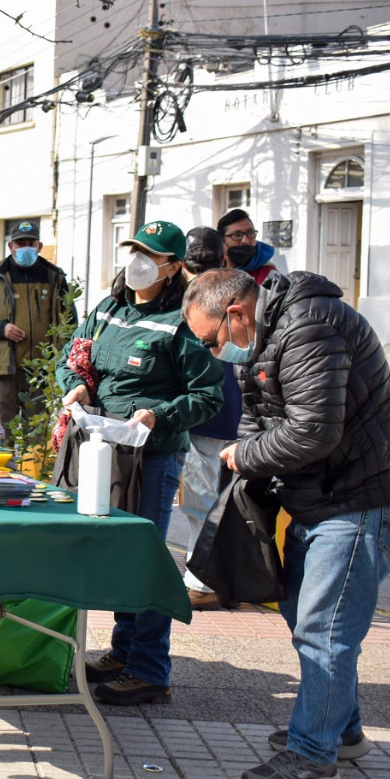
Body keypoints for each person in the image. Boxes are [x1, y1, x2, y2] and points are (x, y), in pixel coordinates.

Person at [183, 268, 390, 779]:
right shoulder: (266, 332)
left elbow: (312, 429)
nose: (214, 353)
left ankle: (313, 756)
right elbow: (255, 419)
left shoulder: (307, 325)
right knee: (306, 617)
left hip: (356, 501)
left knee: (324, 630)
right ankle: (340, 731)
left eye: (212, 340)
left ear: (236, 313)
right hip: (317, 499)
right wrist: (248, 458)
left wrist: (243, 457)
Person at [59, 220, 223, 706]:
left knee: (144, 557)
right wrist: (79, 383)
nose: (138, 261)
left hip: (151, 457)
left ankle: (150, 669)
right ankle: (123, 649)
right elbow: (74, 355)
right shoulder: (108, 309)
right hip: (102, 448)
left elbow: (208, 396)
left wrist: (161, 414)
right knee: (114, 554)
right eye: (134, 250)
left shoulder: (184, 320)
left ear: (173, 267)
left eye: (150, 254)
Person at [176, 227, 240, 611]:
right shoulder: (238, 294)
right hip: (234, 416)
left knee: (202, 504)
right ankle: (219, 577)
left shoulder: (189, 301)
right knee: (221, 503)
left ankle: (203, 581)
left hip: (205, 419)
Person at [0, 219, 72, 432]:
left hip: (42, 371)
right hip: (5, 370)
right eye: (20, 243)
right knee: (2, 432)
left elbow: (69, 322)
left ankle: (30, 467)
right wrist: (1, 328)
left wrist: (61, 363)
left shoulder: (55, 278)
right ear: (11, 246)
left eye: (30, 243)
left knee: (37, 434)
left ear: (39, 247)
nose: (25, 247)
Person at [218, 208, 278, 285]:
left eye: (250, 233)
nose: (245, 241)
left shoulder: (269, 275)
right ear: (221, 240)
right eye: (237, 235)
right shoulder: (211, 271)